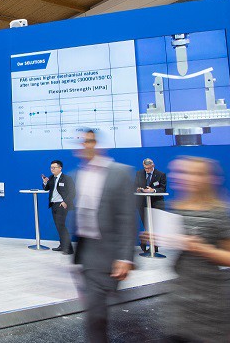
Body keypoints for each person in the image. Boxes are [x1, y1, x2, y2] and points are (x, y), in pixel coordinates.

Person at [159, 156, 230, 343]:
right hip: (180, 300)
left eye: (194, 173)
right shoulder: (175, 209)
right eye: (181, 172)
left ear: (207, 178)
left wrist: (201, 248)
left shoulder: (220, 212)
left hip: (211, 303)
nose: (185, 177)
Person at [72, 130, 137, 343]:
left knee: (103, 312)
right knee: (96, 314)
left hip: (111, 252)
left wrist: (125, 257)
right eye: (81, 142)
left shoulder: (120, 173)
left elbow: (127, 217)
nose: (85, 146)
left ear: (98, 144)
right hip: (88, 254)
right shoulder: (77, 175)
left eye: (89, 141)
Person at [42, 160, 75, 254]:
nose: (52, 169)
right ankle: (62, 245)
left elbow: (72, 192)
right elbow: (46, 188)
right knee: (58, 226)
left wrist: (65, 202)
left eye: (54, 167)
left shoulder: (67, 178)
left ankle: (69, 249)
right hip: (53, 204)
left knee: (61, 226)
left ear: (60, 168)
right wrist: (45, 182)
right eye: (51, 167)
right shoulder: (51, 178)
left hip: (62, 205)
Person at [136, 157, 167, 255]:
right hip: (143, 203)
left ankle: (154, 246)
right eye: (145, 168)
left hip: (156, 203)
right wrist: (139, 189)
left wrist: (153, 190)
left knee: (155, 225)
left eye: (149, 168)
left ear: (153, 165)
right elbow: (135, 185)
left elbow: (163, 188)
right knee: (147, 225)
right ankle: (145, 243)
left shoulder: (161, 174)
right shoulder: (139, 173)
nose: (147, 170)